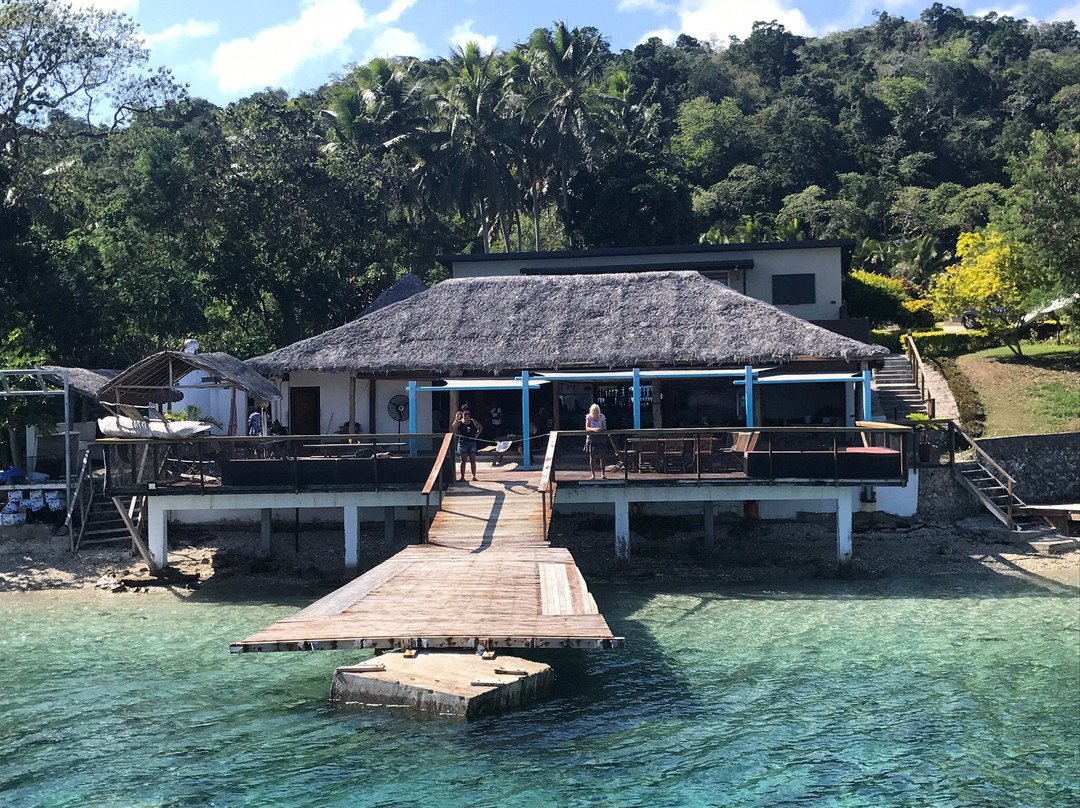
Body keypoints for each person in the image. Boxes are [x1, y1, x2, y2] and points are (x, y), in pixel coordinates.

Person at [453, 408, 483, 482]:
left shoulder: (473, 421)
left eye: (468, 414)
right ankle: (462, 477)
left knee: (473, 460)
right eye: (465, 414)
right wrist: (456, 418)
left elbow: (480, 427)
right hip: (463, 443)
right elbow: (454, 426)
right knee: (463, 461)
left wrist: (477, 434)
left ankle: (474, 476)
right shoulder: (460, 422)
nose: (467, 416)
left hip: (472, 442)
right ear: (462, 414)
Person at [585, 403, 607, 480]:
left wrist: (600, 429)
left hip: (601, 438)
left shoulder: (602, 417)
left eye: (597, 410)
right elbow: (587, 427)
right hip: (592, 438)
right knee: (592, 457)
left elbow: (605, 427)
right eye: (594, 410)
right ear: (591, 411)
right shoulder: (588, 417)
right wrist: (593, 429)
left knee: (602, 457)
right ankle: (593, 474)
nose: (595, 412)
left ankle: (603, 474)